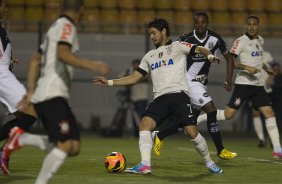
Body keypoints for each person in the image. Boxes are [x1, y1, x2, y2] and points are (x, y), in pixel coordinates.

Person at [94, 18, 223, 174]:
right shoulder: (149, 56)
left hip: (178, 95)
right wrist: (108, 82)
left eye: (154, 33)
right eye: (150, 34)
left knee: (192, 132)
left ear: (163, 32)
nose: (152, 37)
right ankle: (145, 165)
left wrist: (209, 56)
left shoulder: (177, 46)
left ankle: (209, 163)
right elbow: (134, 78)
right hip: (160, 98)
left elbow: (200, 49)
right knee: (144, 125)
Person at [1, 0, 111, 183]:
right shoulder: (67, 25)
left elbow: (35, 60)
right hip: (52, 95)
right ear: (81, 10)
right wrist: (94, 65)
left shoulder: (55, 28)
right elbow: (63, 53)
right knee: (65, 144)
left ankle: (19, 140)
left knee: (73, 147)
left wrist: (30, 90)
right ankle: (18, 142)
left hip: (51, 94)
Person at [151, 12, 237, 160]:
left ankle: (160, 135)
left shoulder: (215, 39)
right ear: (194, 23)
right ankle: (221, 149)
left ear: (207, 23)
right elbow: (171, 52)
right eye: (197, 22)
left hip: (200, 84)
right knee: (210, 110)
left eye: (203, 22)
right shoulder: (186, 38)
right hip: (188, 81)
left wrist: (229, 80)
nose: (200, 25)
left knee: (188, 121)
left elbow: (229, 58)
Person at [197, 15, 282, 159]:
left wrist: (266, 69)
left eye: (254, 24)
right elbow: (231, 61)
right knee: (229, 115)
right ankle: (201, 118)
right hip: (243, 84)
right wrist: (246, 67)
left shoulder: (260, 40)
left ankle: (278, 150)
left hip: (257, 85)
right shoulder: (240, 42)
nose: (251, 27)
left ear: (258, 26)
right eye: (249, 24)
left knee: (269, 113)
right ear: (245, 25)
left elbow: (258, 60)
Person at [0, 0, 38, 175]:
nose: (6, 9)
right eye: (3, 5)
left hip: (3, 72)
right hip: (2, 76)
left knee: (22, 116)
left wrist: (8, 61)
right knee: (31, 112)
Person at [118, 59, 150, 137]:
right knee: (134, 117)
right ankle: (136, 133)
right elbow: (120, 76)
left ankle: (144, 133)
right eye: (134, 64)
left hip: (142, 97)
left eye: (137, 64)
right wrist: (129, 78)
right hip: (133, 97)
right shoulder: (130, 71)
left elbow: (145, 78)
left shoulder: (144, 71)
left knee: (142, 116)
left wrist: (132, 80)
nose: (135, 66)